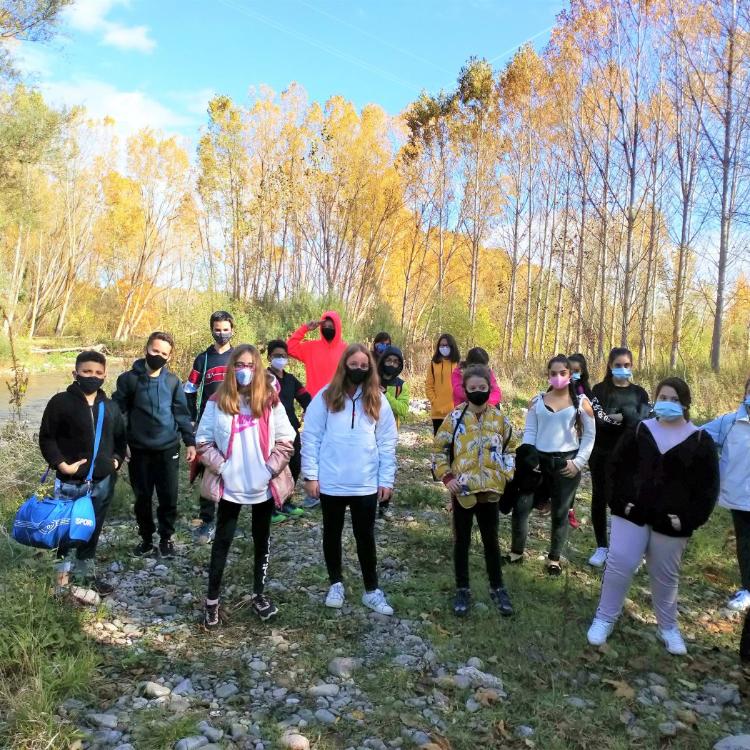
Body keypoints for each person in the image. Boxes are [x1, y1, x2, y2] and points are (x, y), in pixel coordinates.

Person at [587, 377, 719, 655]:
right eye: (663, 398)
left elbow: (707, 488)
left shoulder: (699, 440)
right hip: (632, 512)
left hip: (671, 521)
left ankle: (668, 627)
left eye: (674, 399)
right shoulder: (639, 430)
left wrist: (687, 519)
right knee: (620, 562)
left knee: (665, 575)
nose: (668, 404)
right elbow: (615, 468)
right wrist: (620, 502)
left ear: (685, 404)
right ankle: (605, 617)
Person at [196, 345, 296, 628]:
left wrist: (269, 470)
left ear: (259, 368)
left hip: (262, 486)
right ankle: (212, 601)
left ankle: (259, 595)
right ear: (231, 367)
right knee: (222, 543)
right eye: (240, 364)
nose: (245, 370)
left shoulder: (270, 401)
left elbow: (286, 439)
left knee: (261, 540)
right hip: (230, 486)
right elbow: (202, 441)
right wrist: (224, 468)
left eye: (251, 365)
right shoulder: (217, 401)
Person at [301, 344, 398, 615]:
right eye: (353, 365)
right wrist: (311, 475)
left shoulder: (378, 399)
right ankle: (336, 584)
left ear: (370, 369)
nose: (358, 370)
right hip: (331, 481)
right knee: (331, 534)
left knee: (365, 536)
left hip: (365, 482)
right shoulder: (325, 397)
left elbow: (387, 441)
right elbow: (311, 437)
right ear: (344, 365)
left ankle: (371, 590)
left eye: (363, 366)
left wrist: (386, 480)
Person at [39, 350, 126, 595]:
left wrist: (116, 461)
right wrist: (61, 465)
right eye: (87, 372)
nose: (92, 376)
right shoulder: (60, 403)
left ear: (105, 375)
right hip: (70, 481)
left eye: (98, 373)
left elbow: (121, 440)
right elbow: (47, 438)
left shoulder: (110, 407)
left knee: (92, 529)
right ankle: (61, 582)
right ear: (75, 373)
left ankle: (85, 576)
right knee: (65, 531)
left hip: (102, 482)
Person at [434, 365, 516, 617]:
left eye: (482, 388)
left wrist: (505, 474)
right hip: (463, 492)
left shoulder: (500, 419)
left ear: (489, 388)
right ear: (465, 389)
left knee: (492, 541)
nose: (478, 391)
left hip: (491, 491)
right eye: (473, 388)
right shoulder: (454, 418)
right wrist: (447, 476)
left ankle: (497, 587)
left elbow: (511, 450)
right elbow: (438, 450)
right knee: (462, 541)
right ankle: (462, 588)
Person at [112, 332, 196, 558]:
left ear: (169, 356)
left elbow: (181, 412)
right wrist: (121, 443)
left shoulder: (172, 381)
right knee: (143, 498)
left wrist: (189, 441)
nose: (158, 355)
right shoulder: (127, 380)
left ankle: (166, 538)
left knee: (169, 496)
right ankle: (146, 539)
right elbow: (118, 413)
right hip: (138, 450)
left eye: (163, 353)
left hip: (168, 448)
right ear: (146, 349)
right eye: (155, 350)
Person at [509, 354, 595, 575]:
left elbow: (589, 437)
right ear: (548, 375)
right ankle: (516, 552)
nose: (558, 377)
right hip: (538, 463)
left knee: (560, 512)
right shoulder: (537, 401)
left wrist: (578, 463)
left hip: (566, 463)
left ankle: (554, 558)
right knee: (521, 507)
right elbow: (530, 432)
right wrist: (529, 457)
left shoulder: (582, 403)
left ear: (570, 374)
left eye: (562, 373)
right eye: (553, 373)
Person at [587, 348, 651, 568]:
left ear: (632, 367)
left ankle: (625, 549)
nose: (622, 369)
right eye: (618, 365)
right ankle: (602, 547)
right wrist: (625, 417)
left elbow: (642, 422)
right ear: (610, 365)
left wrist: (622, 416)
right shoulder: (599, 390)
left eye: (627, 365)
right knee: (600, 499)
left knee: (627, 501)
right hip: (602, 454)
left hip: (630, 457)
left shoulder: (640, 393)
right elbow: (600, 419)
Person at [184, 311, 236, 544]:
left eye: (225, 329)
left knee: (234, 468)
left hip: (235, 421)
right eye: (217, 329)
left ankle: (229, 517)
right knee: (208, 470)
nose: (221, 333)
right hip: (208, 421)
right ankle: (207, 520)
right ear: (211, 329)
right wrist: (192, 418)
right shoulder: (203, 359)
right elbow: (189, 389)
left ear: (232, 329)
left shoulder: (239, 357)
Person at [702, 377, 750, 611]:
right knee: (745, 542)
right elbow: (699, 437)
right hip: (739, 496)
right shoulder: (730, 423)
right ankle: (747, 588)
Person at [267, 339, 312, 518]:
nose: (281, 359)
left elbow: (306, 399)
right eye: (277, 356)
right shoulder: (263, 379)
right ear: (269, 357)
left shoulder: (291, 380)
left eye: (284, 356)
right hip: (270, 433)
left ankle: (285, 502)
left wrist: (315, 412)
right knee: (273, 469)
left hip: (291, 431)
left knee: (294, 466)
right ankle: (269, 508)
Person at [376, 344, 410, 520]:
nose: (392, 364)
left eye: (396, 361)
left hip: (390, 433)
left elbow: (403, 409)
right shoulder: (371, 379)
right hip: (368, 430)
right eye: (389, 360)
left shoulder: (401, 386)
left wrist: (385, 396)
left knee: (386, 467)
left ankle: (384, 505)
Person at [286, 310, 347, 397]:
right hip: (312, 400)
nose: (327, 328)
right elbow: (289, 348)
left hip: (336, 401)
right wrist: (305, 328)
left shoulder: (346, 350)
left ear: (337, 328)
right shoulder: (311, 347)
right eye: (324, 326)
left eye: (330, 326)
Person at [426, 333, 460, 436]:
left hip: (455, 412)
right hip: (437, 413)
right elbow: (428, 386)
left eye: (447, 345)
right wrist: (435, 402)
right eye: (442, 345)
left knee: (454, 444)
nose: (444, 348)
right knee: (439, 445)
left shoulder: (458, 364)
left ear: (452, 347)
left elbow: (462, 387)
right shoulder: (433, 364)